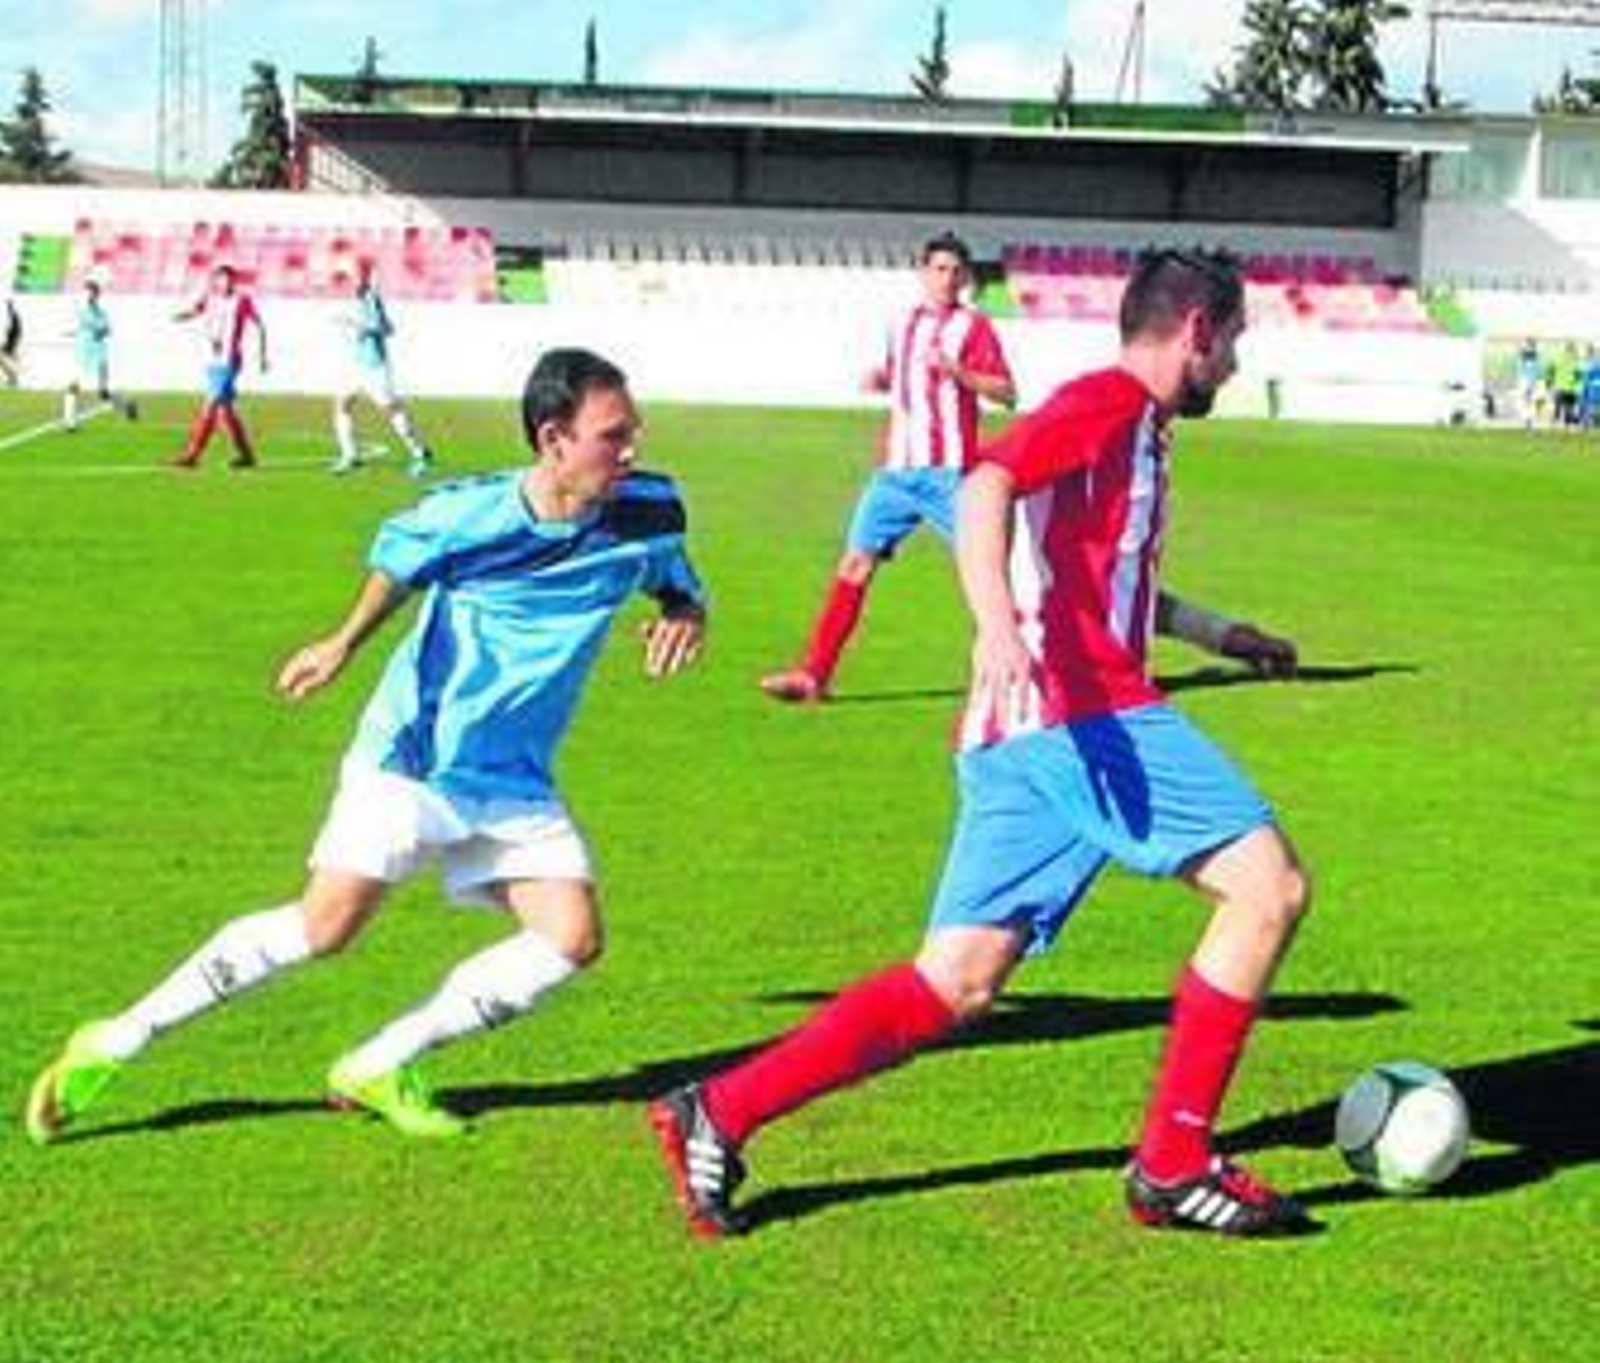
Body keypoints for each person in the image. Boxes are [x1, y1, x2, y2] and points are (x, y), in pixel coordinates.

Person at [650, 247, 1313, 1240]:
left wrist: (1224, 635)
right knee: (1269, 889)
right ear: (1198, 332)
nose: (1234, 362)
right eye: (1235, 341)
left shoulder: (1135, 430)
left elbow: (1099, 581)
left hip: (1020, 733)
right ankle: (1174, 1160)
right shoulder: (1108, 403)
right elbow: (983, 486)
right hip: (1082, 717)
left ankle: (721, 1109)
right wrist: (995, 620)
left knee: (953, 979)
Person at [26, 347, 708, 1144]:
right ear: (554, 438)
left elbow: (673, 577)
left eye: (633, 432)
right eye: (612, 435)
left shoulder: (651, 506)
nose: (631, 449)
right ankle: (113, 1041)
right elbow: (397, 564)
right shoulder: (469, 515)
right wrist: (342, 642)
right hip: (416, 761)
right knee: (325, 928)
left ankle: (384, 1061)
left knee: (571, 937)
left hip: (515, 776)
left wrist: (687, 613)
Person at [759, 230, 1016, 704]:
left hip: (950, 474)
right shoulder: (901, 324)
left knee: (993, 573)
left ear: (966, 279)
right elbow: (902, 377)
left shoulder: (974, 328)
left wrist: (958, 372)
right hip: (895, 474)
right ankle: (813, 675)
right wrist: (882, 379)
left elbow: (1006, 391)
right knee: (854, 564)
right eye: (938, 269)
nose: (947, 278)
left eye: (956, 271)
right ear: (922, 273)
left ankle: (1039, 672)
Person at [331, 259, 435, 478]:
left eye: (354, 277)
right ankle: (350, 455)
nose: (350, 282)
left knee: (391, 409)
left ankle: (420, 452)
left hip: (374, 365)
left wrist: (355, 325)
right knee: (342, 404)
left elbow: (384, 328)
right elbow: (384, 327)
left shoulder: (370, 299)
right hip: (356, 365)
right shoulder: (358, 299)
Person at [170, 264, 268, 469]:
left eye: (229, 279)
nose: (225, 283)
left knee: (211, 405)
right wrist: (181, 317)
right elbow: (195, 311)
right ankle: (246, 455)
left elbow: (259, 325)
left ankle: (192, 455)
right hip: (212, 362)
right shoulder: (210, 299)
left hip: (230, 361)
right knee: (226, 412)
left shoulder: (242, 301)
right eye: (221, 279)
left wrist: (263, 355)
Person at [63, 276, 139, 431]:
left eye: (92, 291)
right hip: (83, 353)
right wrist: (75, 332)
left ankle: (127, 405)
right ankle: (70, 422)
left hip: (98, 353)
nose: (89, 294)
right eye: (87, 291)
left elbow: (106, 329)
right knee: (73, 385)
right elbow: (84, 327)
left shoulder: (99, 311)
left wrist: (98, 331)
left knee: (103, 393)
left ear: (96, 294)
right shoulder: (82, 309)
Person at [1, 297, 22, 387]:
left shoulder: (14, 331)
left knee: (6, 362)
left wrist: (10, 307)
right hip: (11, 346)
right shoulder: (13, 333)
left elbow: (14, 319)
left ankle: (13, 378)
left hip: (11, 346)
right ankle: (12, 378)